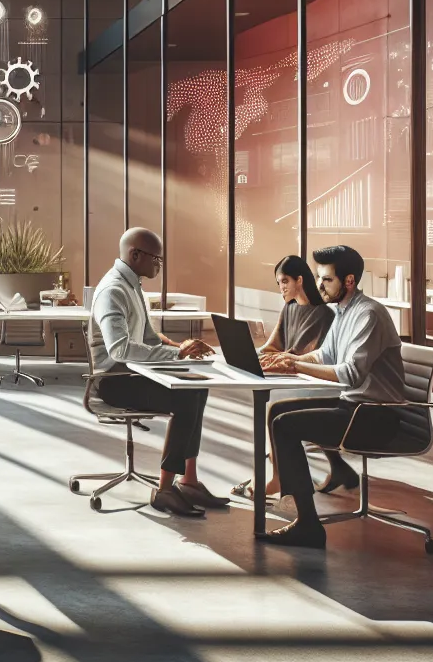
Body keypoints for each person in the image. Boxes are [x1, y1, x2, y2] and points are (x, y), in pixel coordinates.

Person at [259, 244, 412, 549]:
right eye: (319, 278)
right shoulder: (342, 311)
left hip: (376, 415)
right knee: (277, 412)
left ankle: (308, 525)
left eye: (327, 280)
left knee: (285, 426)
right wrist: (289, 362)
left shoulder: (368, 314)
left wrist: (296, 364)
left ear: (350, 280)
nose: (319, 286)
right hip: (354, 406)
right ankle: (300, 506)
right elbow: (325, 354)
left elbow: (351, 373)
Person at [87, 227, 227, 518]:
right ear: (135, 255)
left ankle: (188, 480)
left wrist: (183, 347)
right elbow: (120, 350)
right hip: (113, 381)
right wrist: (176, 354)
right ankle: (164, 490)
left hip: (131, 374)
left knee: (198, 387)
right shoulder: (113, 290)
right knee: (186, 399)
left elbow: (149, 337)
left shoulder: (132, 285)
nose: (159, 265)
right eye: (156, 259)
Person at [230, 255, 348, 500]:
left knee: (273, 408)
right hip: (295, 378)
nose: (281, 288)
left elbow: (309, 357)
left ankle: (276, 477)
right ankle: (336, 469)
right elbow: (273, 347)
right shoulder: (290, 308)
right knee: (273, 404)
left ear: (299, 280)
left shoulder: (324, 314)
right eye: (278, 283)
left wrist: (278, 358)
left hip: (316, 383)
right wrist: (252, 356)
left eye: (284, 281)